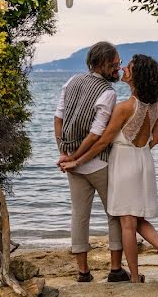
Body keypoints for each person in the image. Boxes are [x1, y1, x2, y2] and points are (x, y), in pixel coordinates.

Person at [60, 54, 158, 285]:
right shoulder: (157, 105)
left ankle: (133, 277)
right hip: (144, 161)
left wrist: (77, 161)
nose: (123, 69)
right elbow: (155, 139)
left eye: (129, 68)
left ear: (136, 76)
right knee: (137, 217)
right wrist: (139, 150)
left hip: (123, 164)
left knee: (127, 224)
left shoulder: (124, 107)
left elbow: (102, 142)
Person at [54, 41, 128, 282]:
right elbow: (96, 134)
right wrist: (73, 158)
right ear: (101, 64)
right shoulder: (108, 92)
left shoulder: (71, 81)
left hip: (73, 164)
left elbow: (58, 119)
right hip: (99, 164)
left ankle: (83, 272)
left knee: (79, 215)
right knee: (114, 214)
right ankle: (115, 270)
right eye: (114, 65)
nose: (117, 69)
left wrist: (64, 153)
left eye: (118, 64)